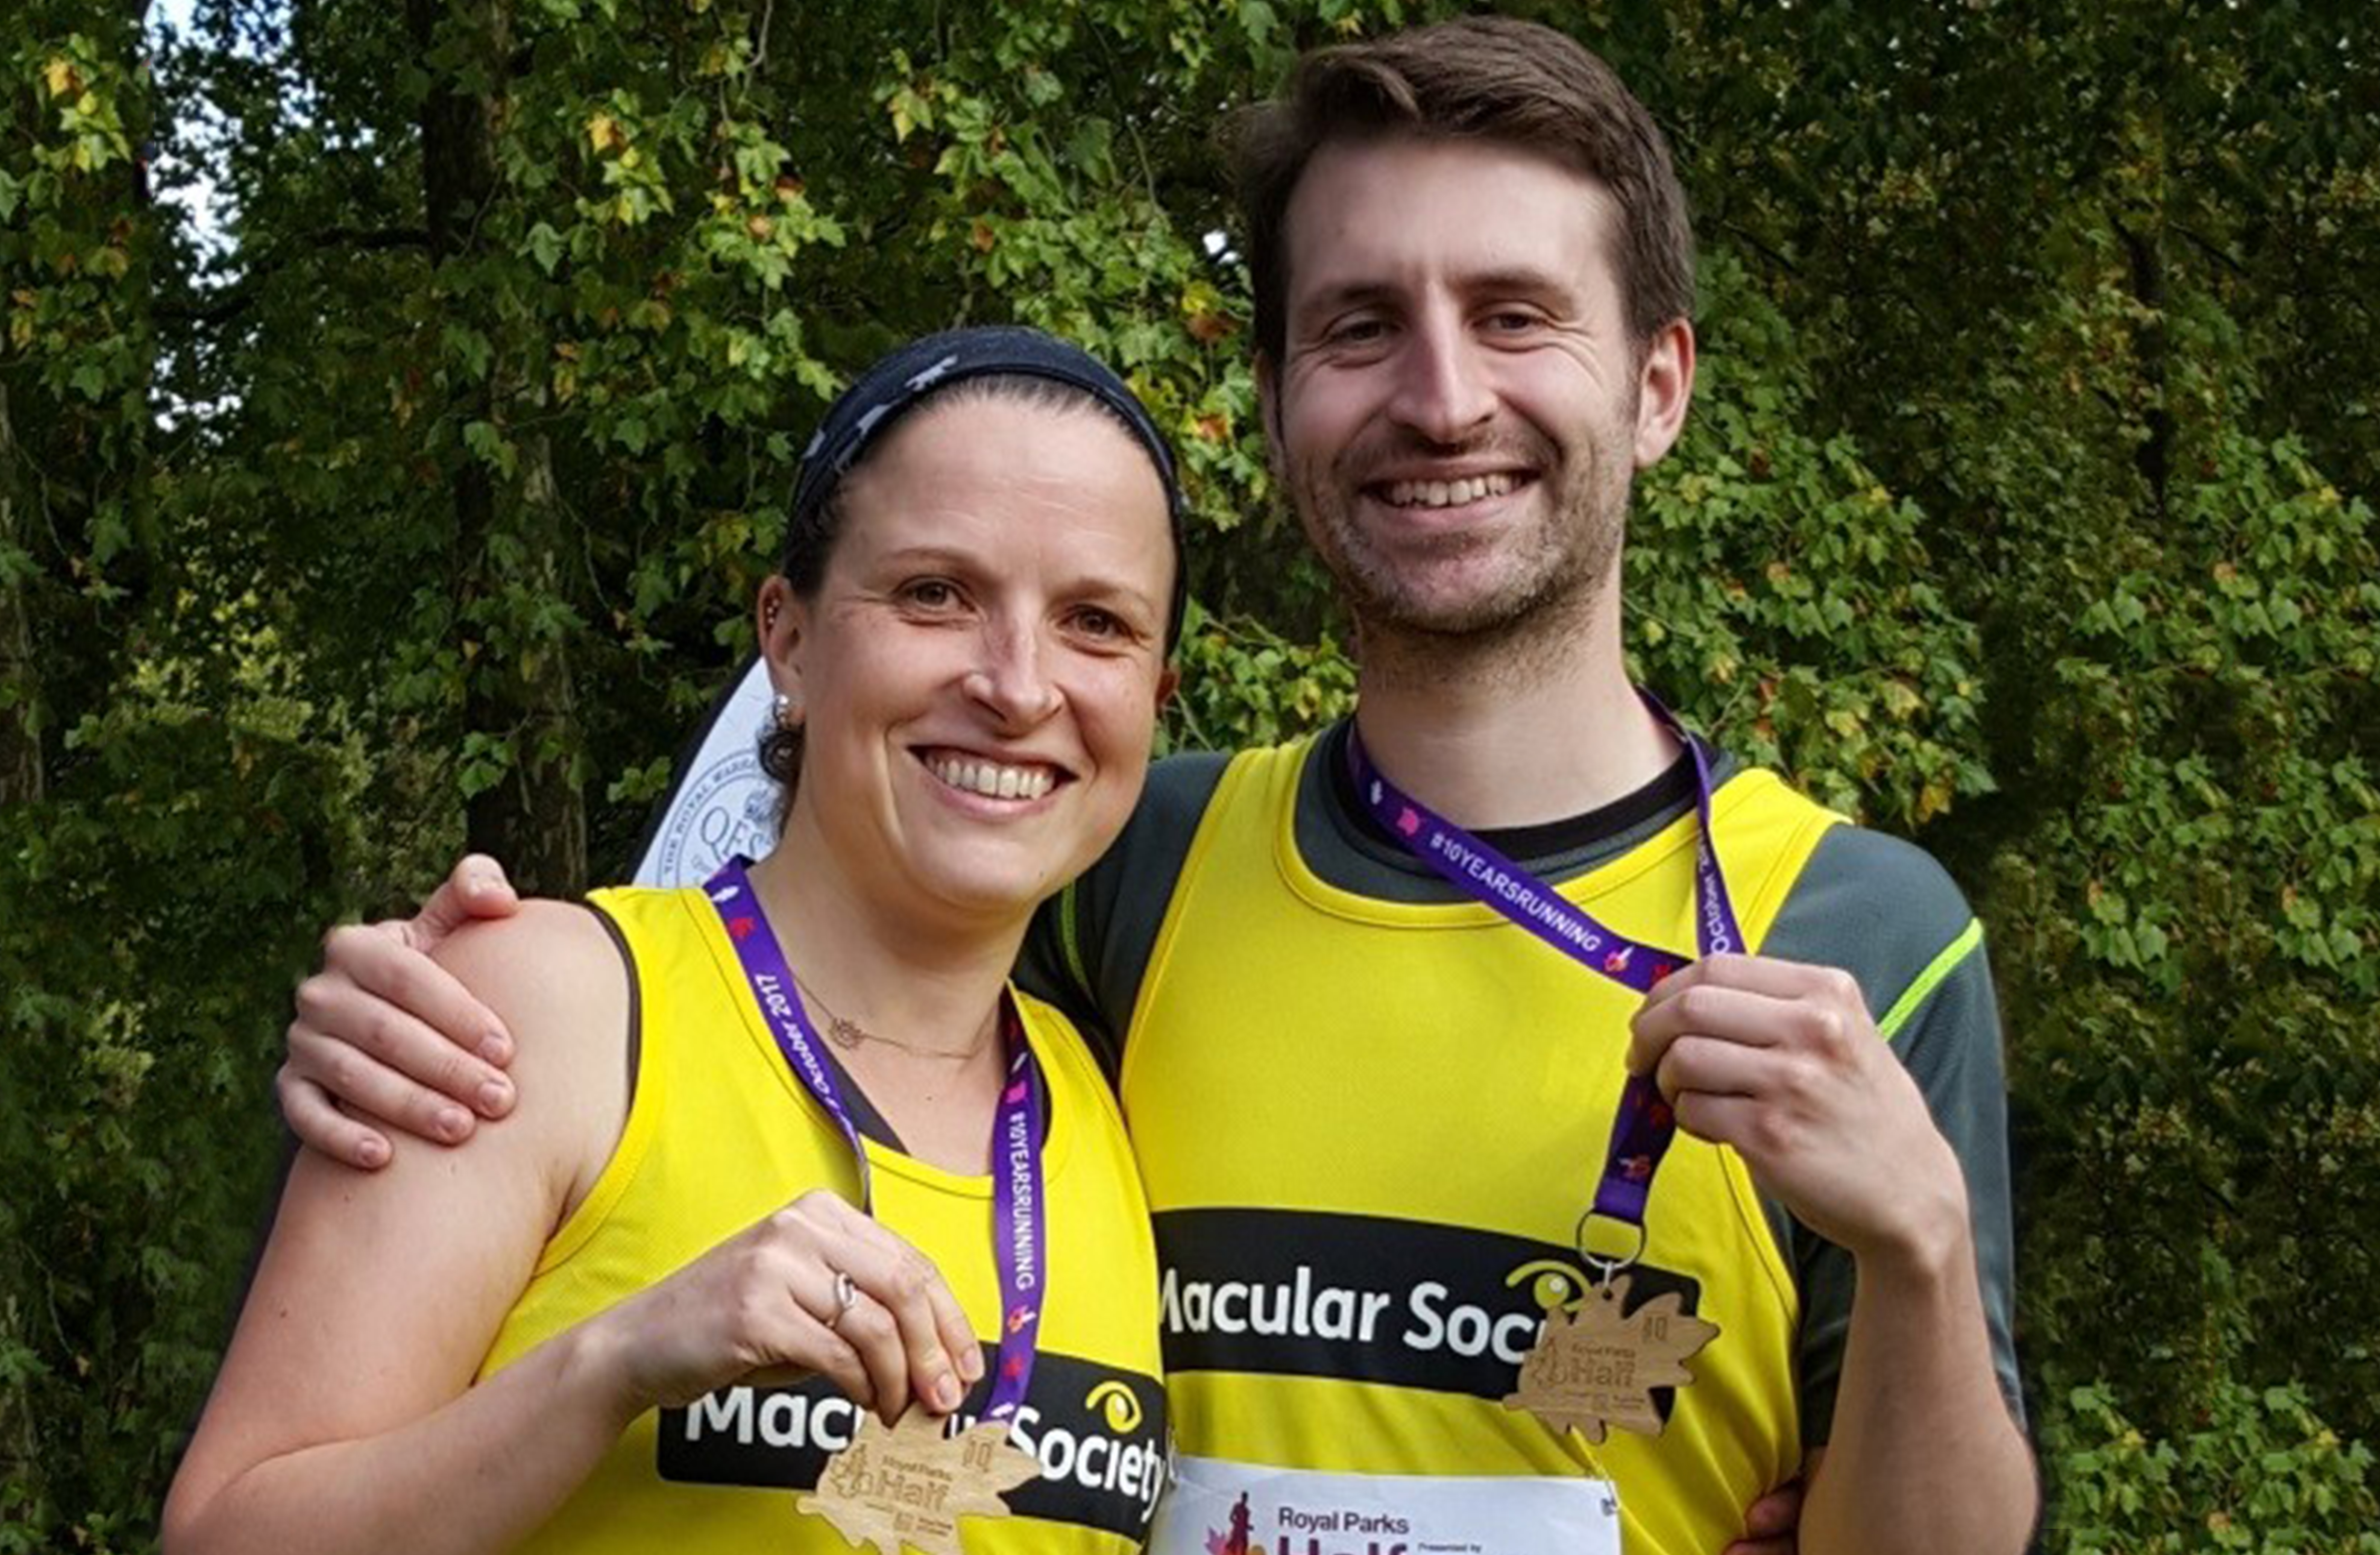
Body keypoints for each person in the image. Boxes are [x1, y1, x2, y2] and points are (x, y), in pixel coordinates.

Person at [275, 18, 2040, 1555]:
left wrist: (1915, 1247)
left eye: (1514, 316)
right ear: (1276, 399)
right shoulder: (1136, 859)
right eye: (1359, 327)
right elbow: (793, 979)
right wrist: (443, 1016)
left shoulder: (1861, 928)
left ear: (1655, 386)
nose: (1439, 398)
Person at [165, 327, 1189, 1553]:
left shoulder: (1121, 1112)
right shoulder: (547, 1006)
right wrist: (617, 1362)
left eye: (1096, 622)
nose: (1019, 686)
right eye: (935, 593)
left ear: (1155, 696)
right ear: (790, 639)